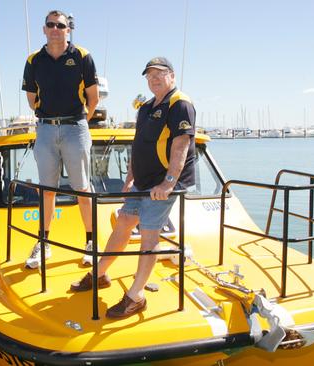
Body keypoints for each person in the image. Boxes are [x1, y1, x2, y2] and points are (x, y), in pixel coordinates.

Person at [69, 57, 196, 319]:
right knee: (125, 221)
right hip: (143, 182)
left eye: (159, 74)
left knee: (149, 235)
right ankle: (100, 274)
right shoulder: (147, 107)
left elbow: (181, 144)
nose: (154, 79)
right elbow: (138, 145)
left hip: (164, 184)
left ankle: (136, 295)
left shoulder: (180, 104)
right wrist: (130, 178)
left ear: (171, 76)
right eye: (149, 76)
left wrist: (169, 183)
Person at [22, 9, 100, 269]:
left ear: (69, 29)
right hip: (44, 129)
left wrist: (78, 123)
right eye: (50, 25)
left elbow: (93, 97)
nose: (55, 29)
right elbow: (32, 99)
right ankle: (43, 243)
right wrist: (49, 120)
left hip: (75, 128)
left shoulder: (82, 56)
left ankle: (91, 242)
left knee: (82, 188)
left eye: (60, 25)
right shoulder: (34, 60)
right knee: (47, 190)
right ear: (44, 29)